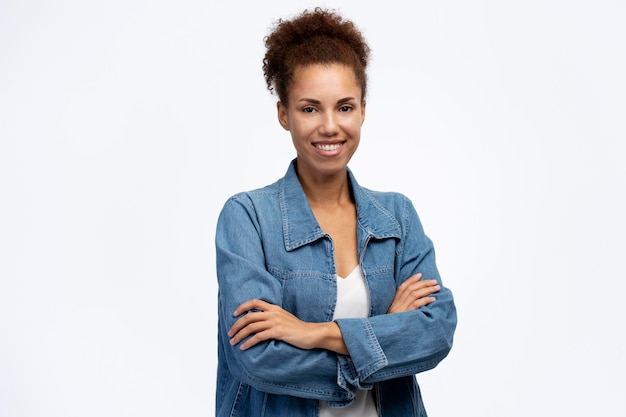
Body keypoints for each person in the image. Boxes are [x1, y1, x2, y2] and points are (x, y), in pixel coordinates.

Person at [215, 8, 456, 417]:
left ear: (363, 110)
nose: (330, 126)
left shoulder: (396, 216)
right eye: (310, 109)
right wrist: (383, 339)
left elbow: (436, 331)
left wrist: (312, 333)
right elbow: (257, 358)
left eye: (344, 107)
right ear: (283, 114)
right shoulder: (248, 217)